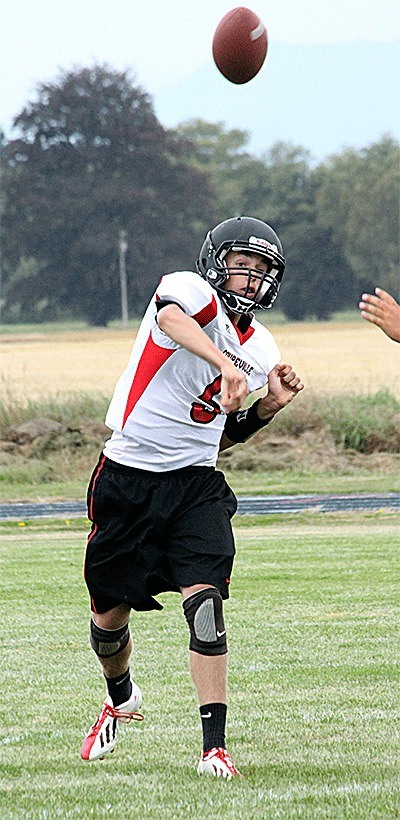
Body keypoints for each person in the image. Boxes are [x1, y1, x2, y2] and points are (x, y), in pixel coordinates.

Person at [81, 216, 304, 779]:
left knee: (205, 607)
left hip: (195, 485)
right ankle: (121, 694)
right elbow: (172, 318)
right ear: (215, 261)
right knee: (108, 619)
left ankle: (214, 748)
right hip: (128, 475)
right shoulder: (188, 289)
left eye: (261, 273)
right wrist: (223, 362)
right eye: (242, 265)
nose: (249, 280)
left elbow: (221, 434)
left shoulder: (264, 347)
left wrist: (268, 406)